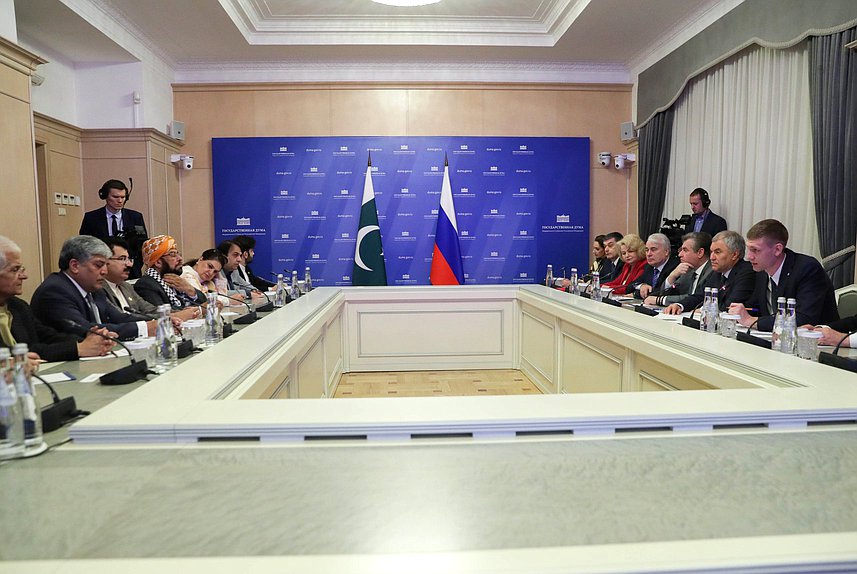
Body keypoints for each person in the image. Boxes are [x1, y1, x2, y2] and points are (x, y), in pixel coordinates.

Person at [0, 236, 113, 362]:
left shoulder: (17, 306)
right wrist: (78, 348)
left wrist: (91, 340)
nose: (24, 276)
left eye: (21, 269)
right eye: (15, 270)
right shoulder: (54, 290)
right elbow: (23, 351)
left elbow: (47, 336)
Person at [30, 236, 156, 341]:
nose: (104, 271)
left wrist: (158, 321)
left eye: (106, 265)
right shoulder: (55, 291)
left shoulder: (94, 289)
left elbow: (119, 317)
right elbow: (87, 330)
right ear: (75, 266)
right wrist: (144, 328)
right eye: (99, 265)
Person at [729, 219, 838, 331]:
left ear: (777, 249)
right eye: (749, 249)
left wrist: (751, 321)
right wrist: (738, 313)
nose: (749, 256)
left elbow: (804, 319)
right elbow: (756, 308)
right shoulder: (762, 271)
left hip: (818, 343)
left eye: (755, 250)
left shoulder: (807, 269)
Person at [102, 237, 197, 322]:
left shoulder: (125, 286)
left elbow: (150, 309)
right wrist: (174, 316)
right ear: (104, 261)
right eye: (122, 259)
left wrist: (182, 312)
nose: (129, 264)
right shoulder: (99, 289)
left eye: (129, 259)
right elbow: (123, 318)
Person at [663, 230, 757, 315]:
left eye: (717, 252)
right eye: (711, 252)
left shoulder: (746, 272)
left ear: (734, 254)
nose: (712, 257)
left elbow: (730, 306)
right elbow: (700, 296)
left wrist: (704, 309)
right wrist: (679, 305)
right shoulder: (718, 273)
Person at [79, 179, 148, 278]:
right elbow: (85, 245)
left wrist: (135, 264)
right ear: (105, 196)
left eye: (123, 197)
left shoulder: (136, 217)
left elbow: (142, 244)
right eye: (115, 197)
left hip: (130, 270)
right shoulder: (91, 218)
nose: (120, 200)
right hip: (100, 270)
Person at [134, 235, 206, 311]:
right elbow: (163, 315)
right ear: (158, 262)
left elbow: (205, 302)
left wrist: (189, 289)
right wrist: (197, 311)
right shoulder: (146, 285)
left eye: (178, 254)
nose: (180, 259)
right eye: (172, 255)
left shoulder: (175, 281)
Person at [644, 232, 712, 307]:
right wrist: (672, 276)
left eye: (685, 250)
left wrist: (661, 300)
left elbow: (696, 298)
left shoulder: (712, 272)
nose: (680, 255)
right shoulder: (687, 270)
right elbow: (666, 292)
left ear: (700, 252)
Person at [632, 233, 679, 299]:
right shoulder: (648, 267)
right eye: (647, 250)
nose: (648, 254)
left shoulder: (675, 266)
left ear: (666, 252)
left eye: (653, 249)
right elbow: (631, 286)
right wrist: (642, 286)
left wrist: (635, 294)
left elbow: (661, 292)